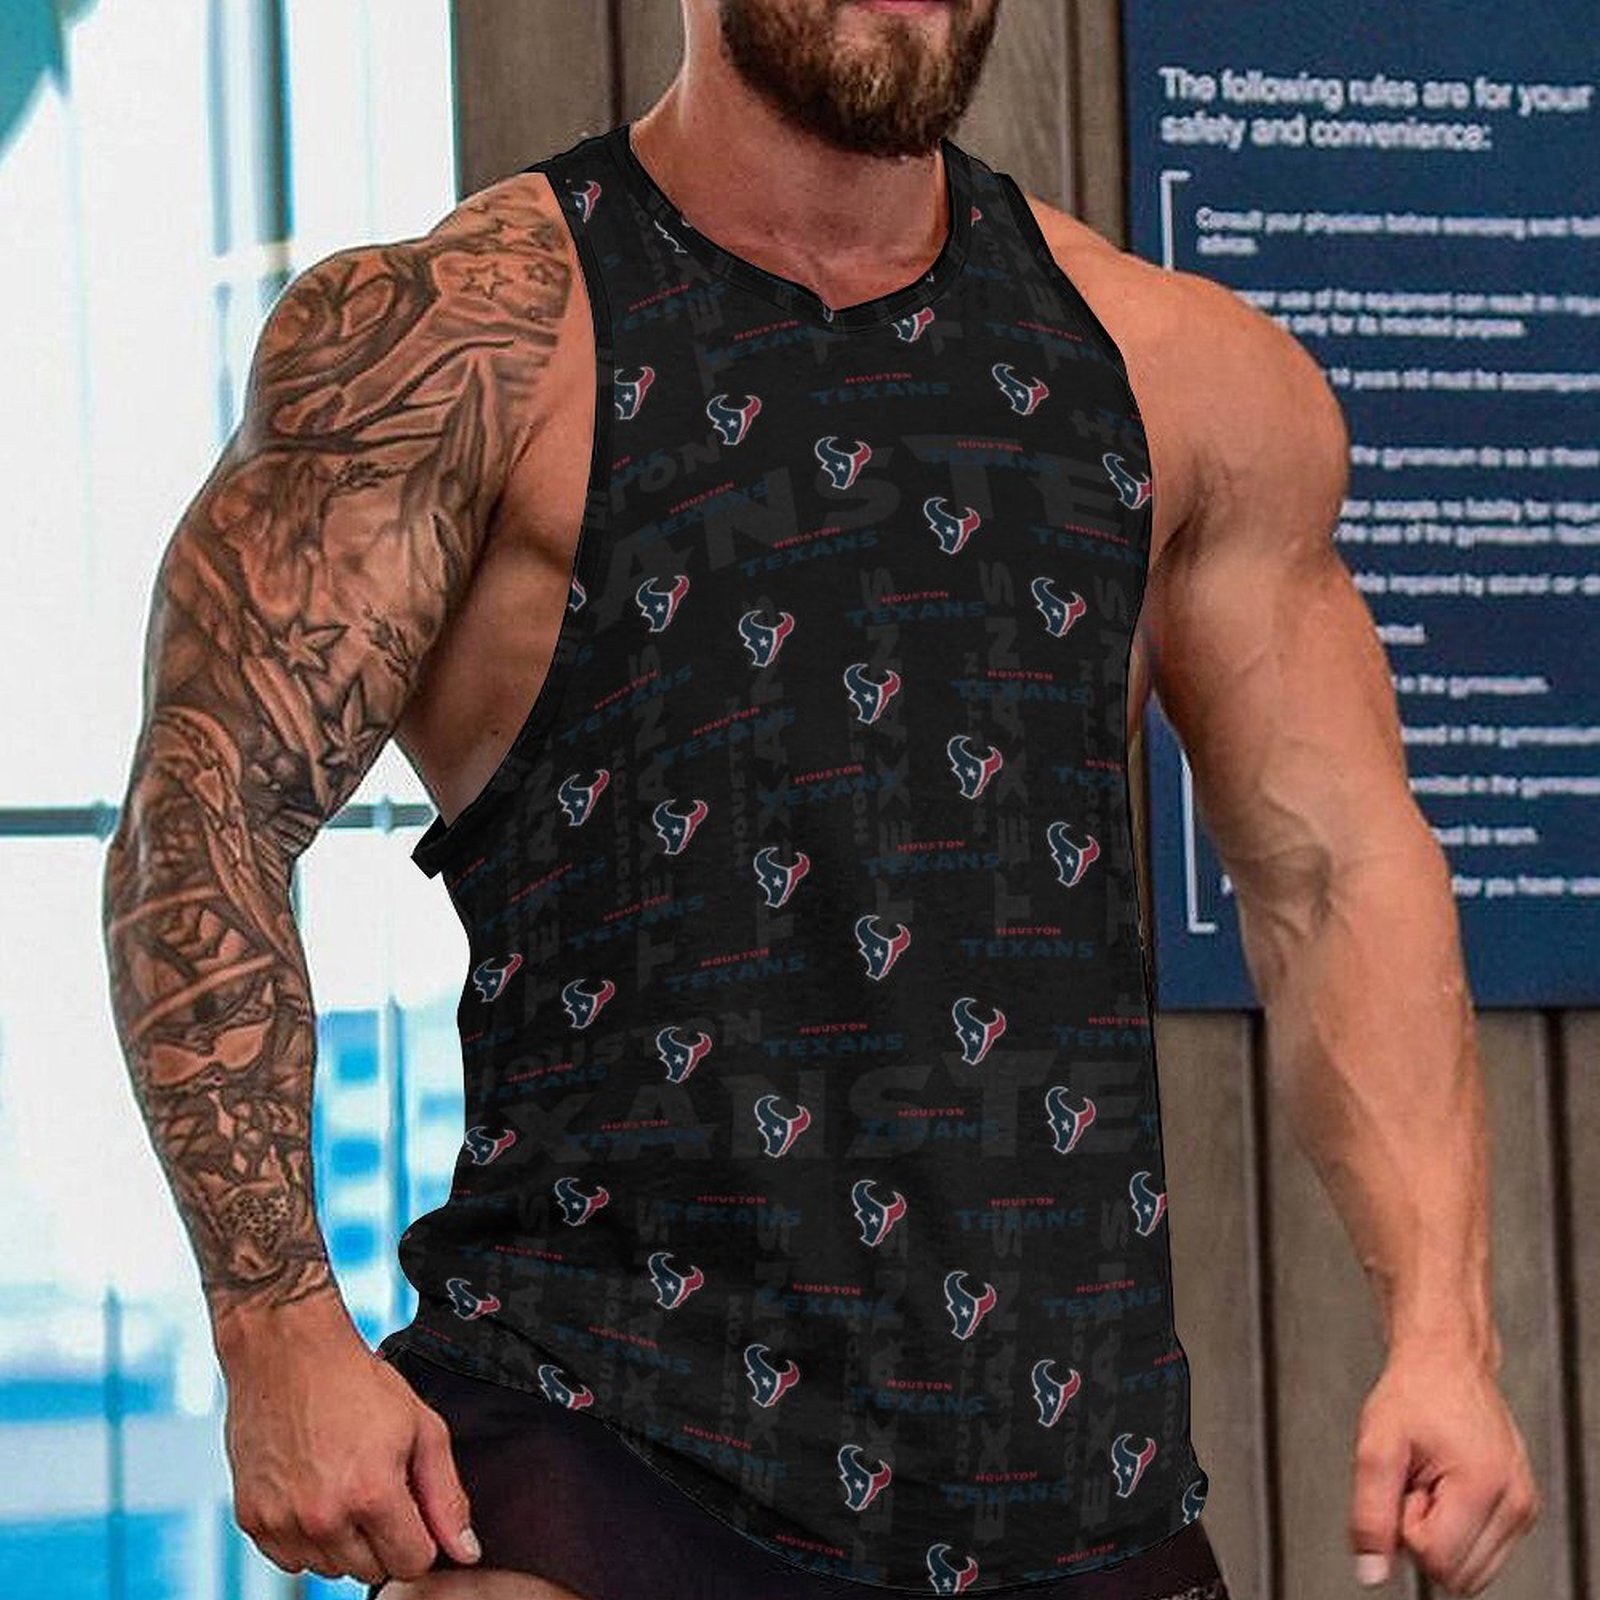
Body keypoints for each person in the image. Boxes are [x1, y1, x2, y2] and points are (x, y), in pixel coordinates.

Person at [100, 1, 1540, 1597]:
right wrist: (277, 1325)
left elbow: (1337, 875)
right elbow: (205, 808)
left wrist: (1444, 1332)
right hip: (598, 1442)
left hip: (1073, 1479)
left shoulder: (1182, 379)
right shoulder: (460, 342)